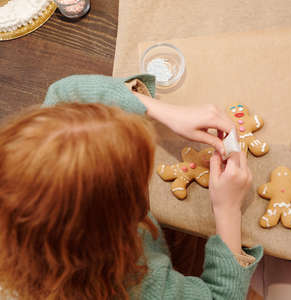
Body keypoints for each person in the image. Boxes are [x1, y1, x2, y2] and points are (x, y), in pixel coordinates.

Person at [0, 74, 262, 300]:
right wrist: (228, 209)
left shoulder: (12, 184)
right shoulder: (140, 285)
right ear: (119, 213)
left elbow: (65, 93)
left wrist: (161, 110)